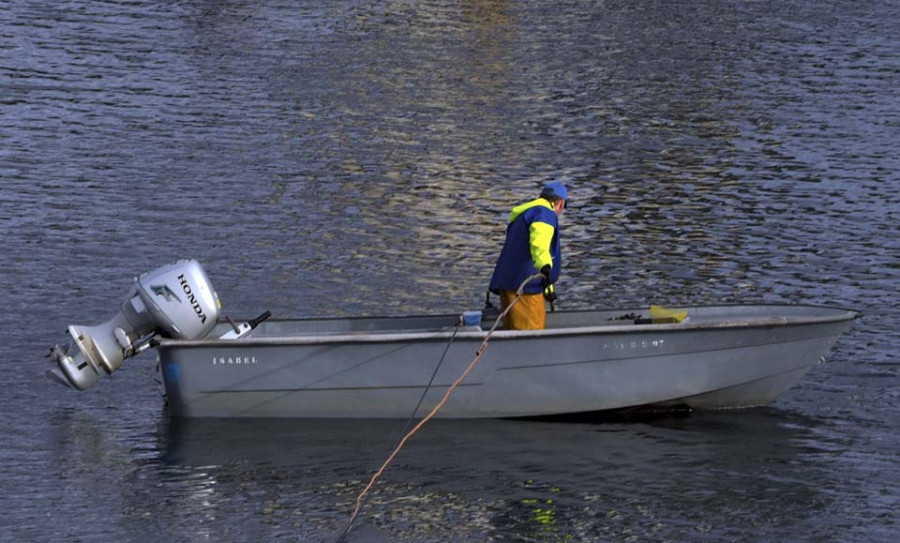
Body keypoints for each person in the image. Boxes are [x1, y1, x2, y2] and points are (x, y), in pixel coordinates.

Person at [488, 181, 567, 330]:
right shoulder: (545, 214)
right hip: (525, 290)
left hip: (508, 285)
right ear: (561, 203)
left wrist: (548, 286)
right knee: (530, 336)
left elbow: (524, 250)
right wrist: (545, 267)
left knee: (512, 335)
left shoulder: (526, 214)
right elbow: (539, 243)